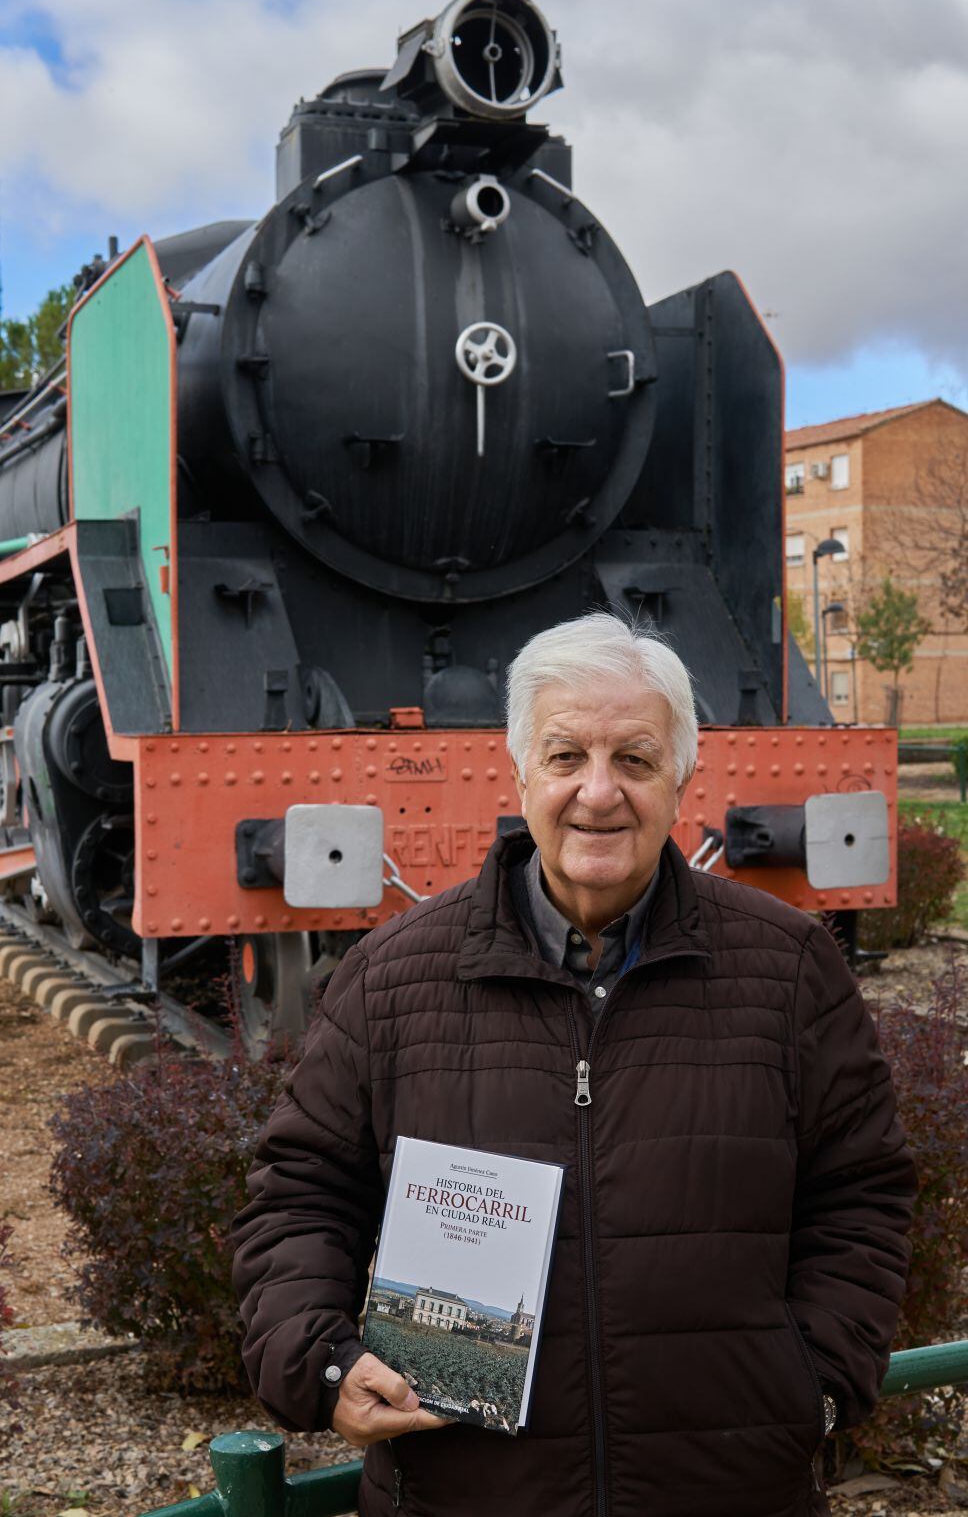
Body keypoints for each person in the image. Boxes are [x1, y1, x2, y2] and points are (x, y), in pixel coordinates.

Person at [231, 613, 916, 1517]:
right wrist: (323, 1359)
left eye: (634, 758)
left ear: (681, 777)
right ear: (517, 772)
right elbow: (302, 1193)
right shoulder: (393, 975)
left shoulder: (789, 967)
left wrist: (815, 1384)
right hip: (462, 1492)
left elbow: (861, 1191)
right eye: (566, 757)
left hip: (730, 1491)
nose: (599, 792)